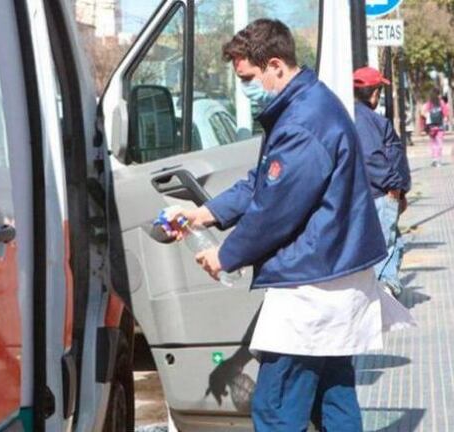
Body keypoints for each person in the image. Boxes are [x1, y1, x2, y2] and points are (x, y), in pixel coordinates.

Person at [164, 19, 413, 431]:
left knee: (277, 406)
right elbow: (263, 182)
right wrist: (203, 214)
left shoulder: (301, 122)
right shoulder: (307, 106)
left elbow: (275, 208)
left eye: (248, 77)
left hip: (311, 283)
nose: (246, 87)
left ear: (275, 65)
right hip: (333, 275)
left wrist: (225, 255)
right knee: (334, 399)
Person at [353, 67, 412, 299]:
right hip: (382, 194)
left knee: (393, 243)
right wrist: (394, 188)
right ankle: (382, 293)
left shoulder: (356, 117)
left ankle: (385, 289)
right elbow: (372, 157)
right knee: (385, 246)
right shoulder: (367, 120)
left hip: (380, 193)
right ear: (374, 93)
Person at [423, 88, 447, 167]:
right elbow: (445, 113)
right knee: (439, 143)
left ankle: (434, 159)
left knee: (433, 143)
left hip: (431, 127)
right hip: (440, 126)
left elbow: (425, 113)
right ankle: (438, 159)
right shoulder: (441, 103)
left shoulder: (429, 103)